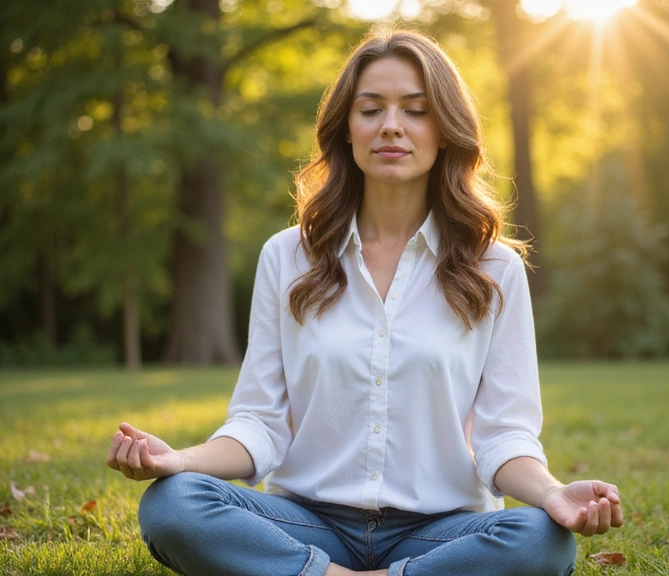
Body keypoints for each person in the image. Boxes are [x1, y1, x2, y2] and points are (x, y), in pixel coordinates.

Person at [107, 28, 622, 576]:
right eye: (371, 109)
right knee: (172, 503)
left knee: (541, 539)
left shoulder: (494, 268)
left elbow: (504, 437)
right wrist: (177, 461)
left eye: (416, 110)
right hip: (306, 522)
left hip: (439, 529)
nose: (391, 126)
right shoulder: (287, 257)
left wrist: (551, 492)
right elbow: (259, 422)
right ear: (346, 130)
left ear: (445, 129)